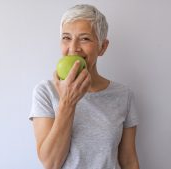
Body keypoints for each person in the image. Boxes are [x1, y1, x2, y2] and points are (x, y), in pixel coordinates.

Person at [29, 4, 139, 169]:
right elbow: (50, 163)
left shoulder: (124, 95)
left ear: (102, 47)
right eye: (66, 38)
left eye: (85, 38)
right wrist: (67, 102)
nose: (73, 48)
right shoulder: (45, 92)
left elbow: (129, 160)